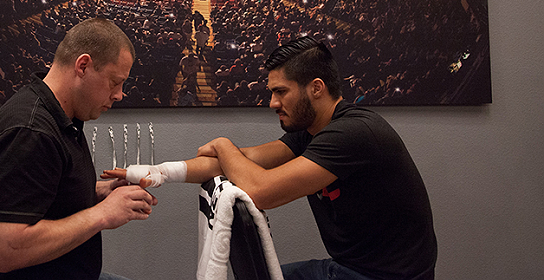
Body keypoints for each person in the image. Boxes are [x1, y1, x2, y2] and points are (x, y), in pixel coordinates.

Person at [104, 35, 437, 280]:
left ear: (316, 88)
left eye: (281, 91)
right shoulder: (310, 132)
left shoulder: (354, 133)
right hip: (347, 268)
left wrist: (222, 142)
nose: (273, 103)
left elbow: (261, 190)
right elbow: (241, 162)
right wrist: (154, 172)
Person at [0, 18, 158, 280]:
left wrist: (98, 193)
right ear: (83, 66)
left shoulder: (61, 117)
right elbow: (5, 250)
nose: (119, 95)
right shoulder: (29, 131)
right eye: (115, 82)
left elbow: (45, 200)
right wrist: (102, 214)